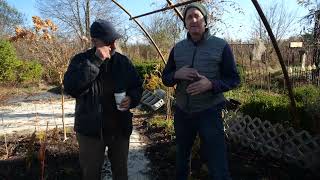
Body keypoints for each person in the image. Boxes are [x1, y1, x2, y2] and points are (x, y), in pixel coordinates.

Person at [162, 2, 240, 180]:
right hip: (183, 112)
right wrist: (176, 74)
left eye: (197, 16)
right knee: (182, 156)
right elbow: (166, 78)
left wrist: (211, 85)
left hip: (209, 112)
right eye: (189, 17)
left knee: (217, 161)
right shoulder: (178, 48)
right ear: (185, 23)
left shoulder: (221, 46)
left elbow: (234, 79)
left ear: (205, 20)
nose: (193, 20)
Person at [63, 19, 143, 180]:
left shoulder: (123, 62)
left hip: (119, 129)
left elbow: (137, 86)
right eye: (107, 42)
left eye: (114, 41)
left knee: (121, 173)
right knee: (91, 174)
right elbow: (71, 88)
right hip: (90, 132)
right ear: (94, 41)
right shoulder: (81, 61)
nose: (112, 46)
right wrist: (95, 61)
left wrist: (132, 98)